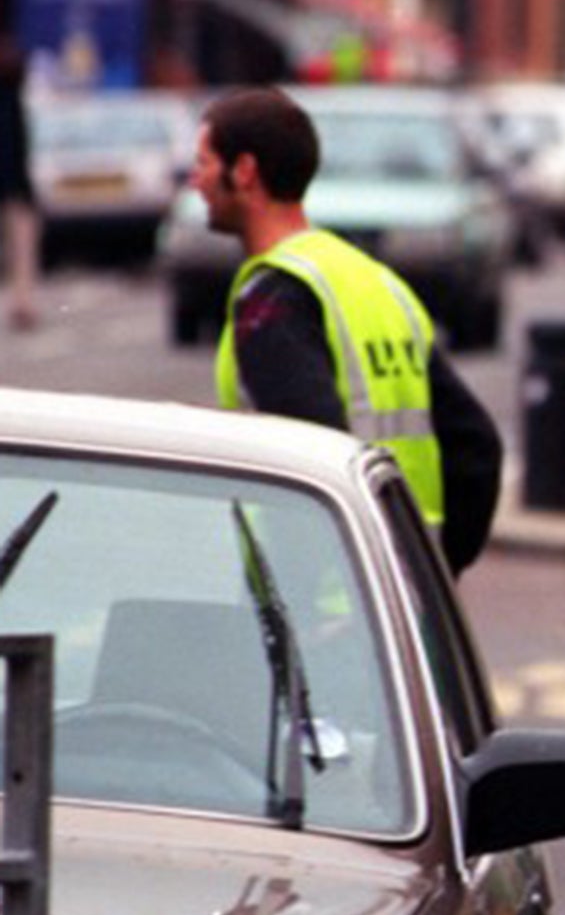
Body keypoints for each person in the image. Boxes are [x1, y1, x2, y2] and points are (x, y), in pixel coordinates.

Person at [196, 87, 503, 577]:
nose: (195, 181)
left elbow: (309, 460)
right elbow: (476, 448)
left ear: (245, 172)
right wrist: (434, 577)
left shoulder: (271, 299)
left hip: (319, 612)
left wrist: (322, 606)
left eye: (204, 163)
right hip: (396, 596)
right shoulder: (377, 282)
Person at [0, 44, 38, 332]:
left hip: (15, 188)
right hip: (17, 189)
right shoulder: (14, 103)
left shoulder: (14, 103)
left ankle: (22, 304)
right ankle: (22, 304)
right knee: (22, 253)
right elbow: (20, 151)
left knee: (20, 252)